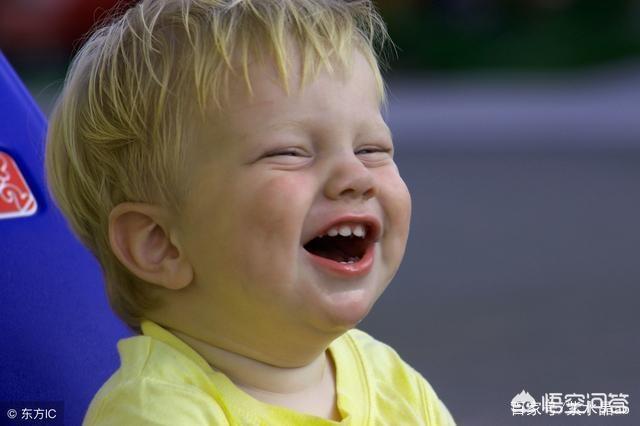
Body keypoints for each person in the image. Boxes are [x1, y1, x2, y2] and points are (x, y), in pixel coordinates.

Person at [46, 0, 456, 424]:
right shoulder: (156, 412)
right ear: (161, 243)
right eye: (290, 152)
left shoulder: (393, 382)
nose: (356, 176)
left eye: (371, 149)